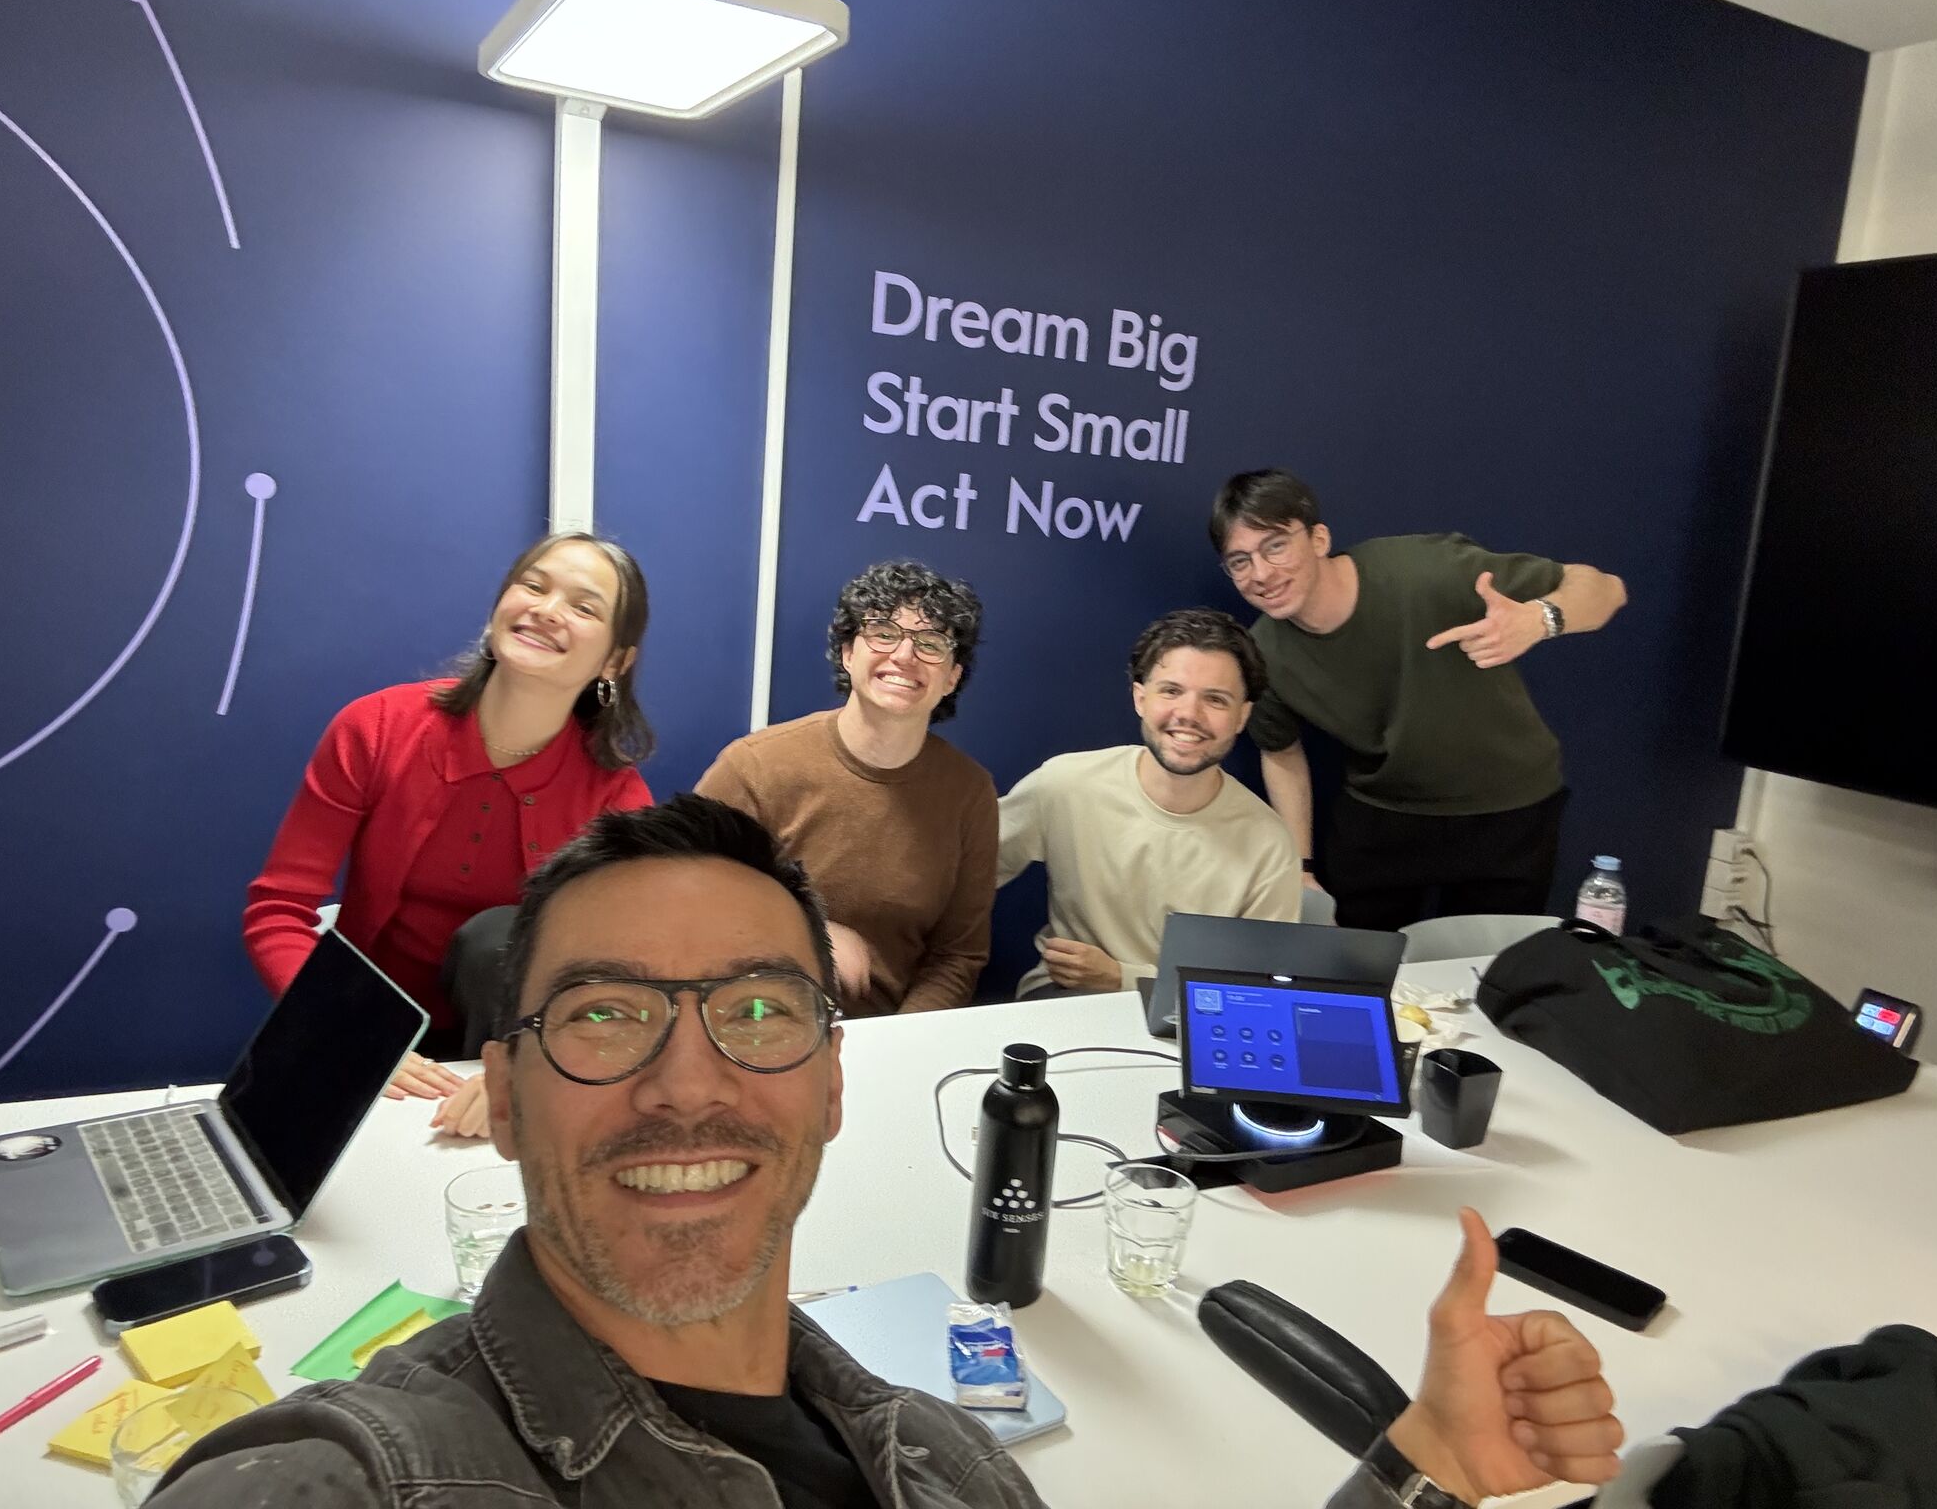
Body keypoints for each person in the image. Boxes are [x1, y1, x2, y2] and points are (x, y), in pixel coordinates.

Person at [149, 795, 1625, 1509]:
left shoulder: (948, 1461)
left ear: (833, 1084)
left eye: (756, 1011)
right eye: (604, 1015)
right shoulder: (368, 1481)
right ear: (508, 1093)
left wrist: (1425, 1469)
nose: (687, 1084)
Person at [244, 531, 653, 1118]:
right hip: (362, 1035)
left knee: (501, 936)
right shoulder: (376, 727)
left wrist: (531, 1059)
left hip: (511, 1049)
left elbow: (620, 969)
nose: (546, 610)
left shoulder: (616, 796)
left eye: (584, 607)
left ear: (615, 660)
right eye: (533, 586)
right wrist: (343, 1030)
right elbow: (278, 910)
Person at [1211, 469, 1627, 932]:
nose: (1262, 573)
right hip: (1381, 816)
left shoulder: (1427, 571)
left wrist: (1539, 620)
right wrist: (1300, 866)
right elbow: (1280, 751)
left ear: (1319, 539)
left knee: (1490, 968)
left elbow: (1606, 590)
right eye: (1240, 561)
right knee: (1354, 965)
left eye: (1275, 546)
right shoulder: (1263, 653)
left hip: (1507, 810)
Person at [697, 561, 995, 1017]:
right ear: (848, 652)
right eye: (883, 633)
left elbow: (958, 956)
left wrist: (902, 1039)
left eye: (931, 643)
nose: (905, 655)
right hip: (749, 1021)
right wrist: (803, 930)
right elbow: (685, 902)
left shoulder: (969, 792)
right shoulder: (753, 767)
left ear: (952, 677)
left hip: (891, 1034)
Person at [997, 608, 1300, 997]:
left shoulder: (1269, 844)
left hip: (1196, 1017)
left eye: (1215, 699)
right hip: (1066, 996)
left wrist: (1123, 978)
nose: (1188, 714)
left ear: (1243, 716)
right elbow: (964, 872)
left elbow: (1258, 991)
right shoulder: (1065, 784)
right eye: (1171, 691)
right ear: (1140, 698)